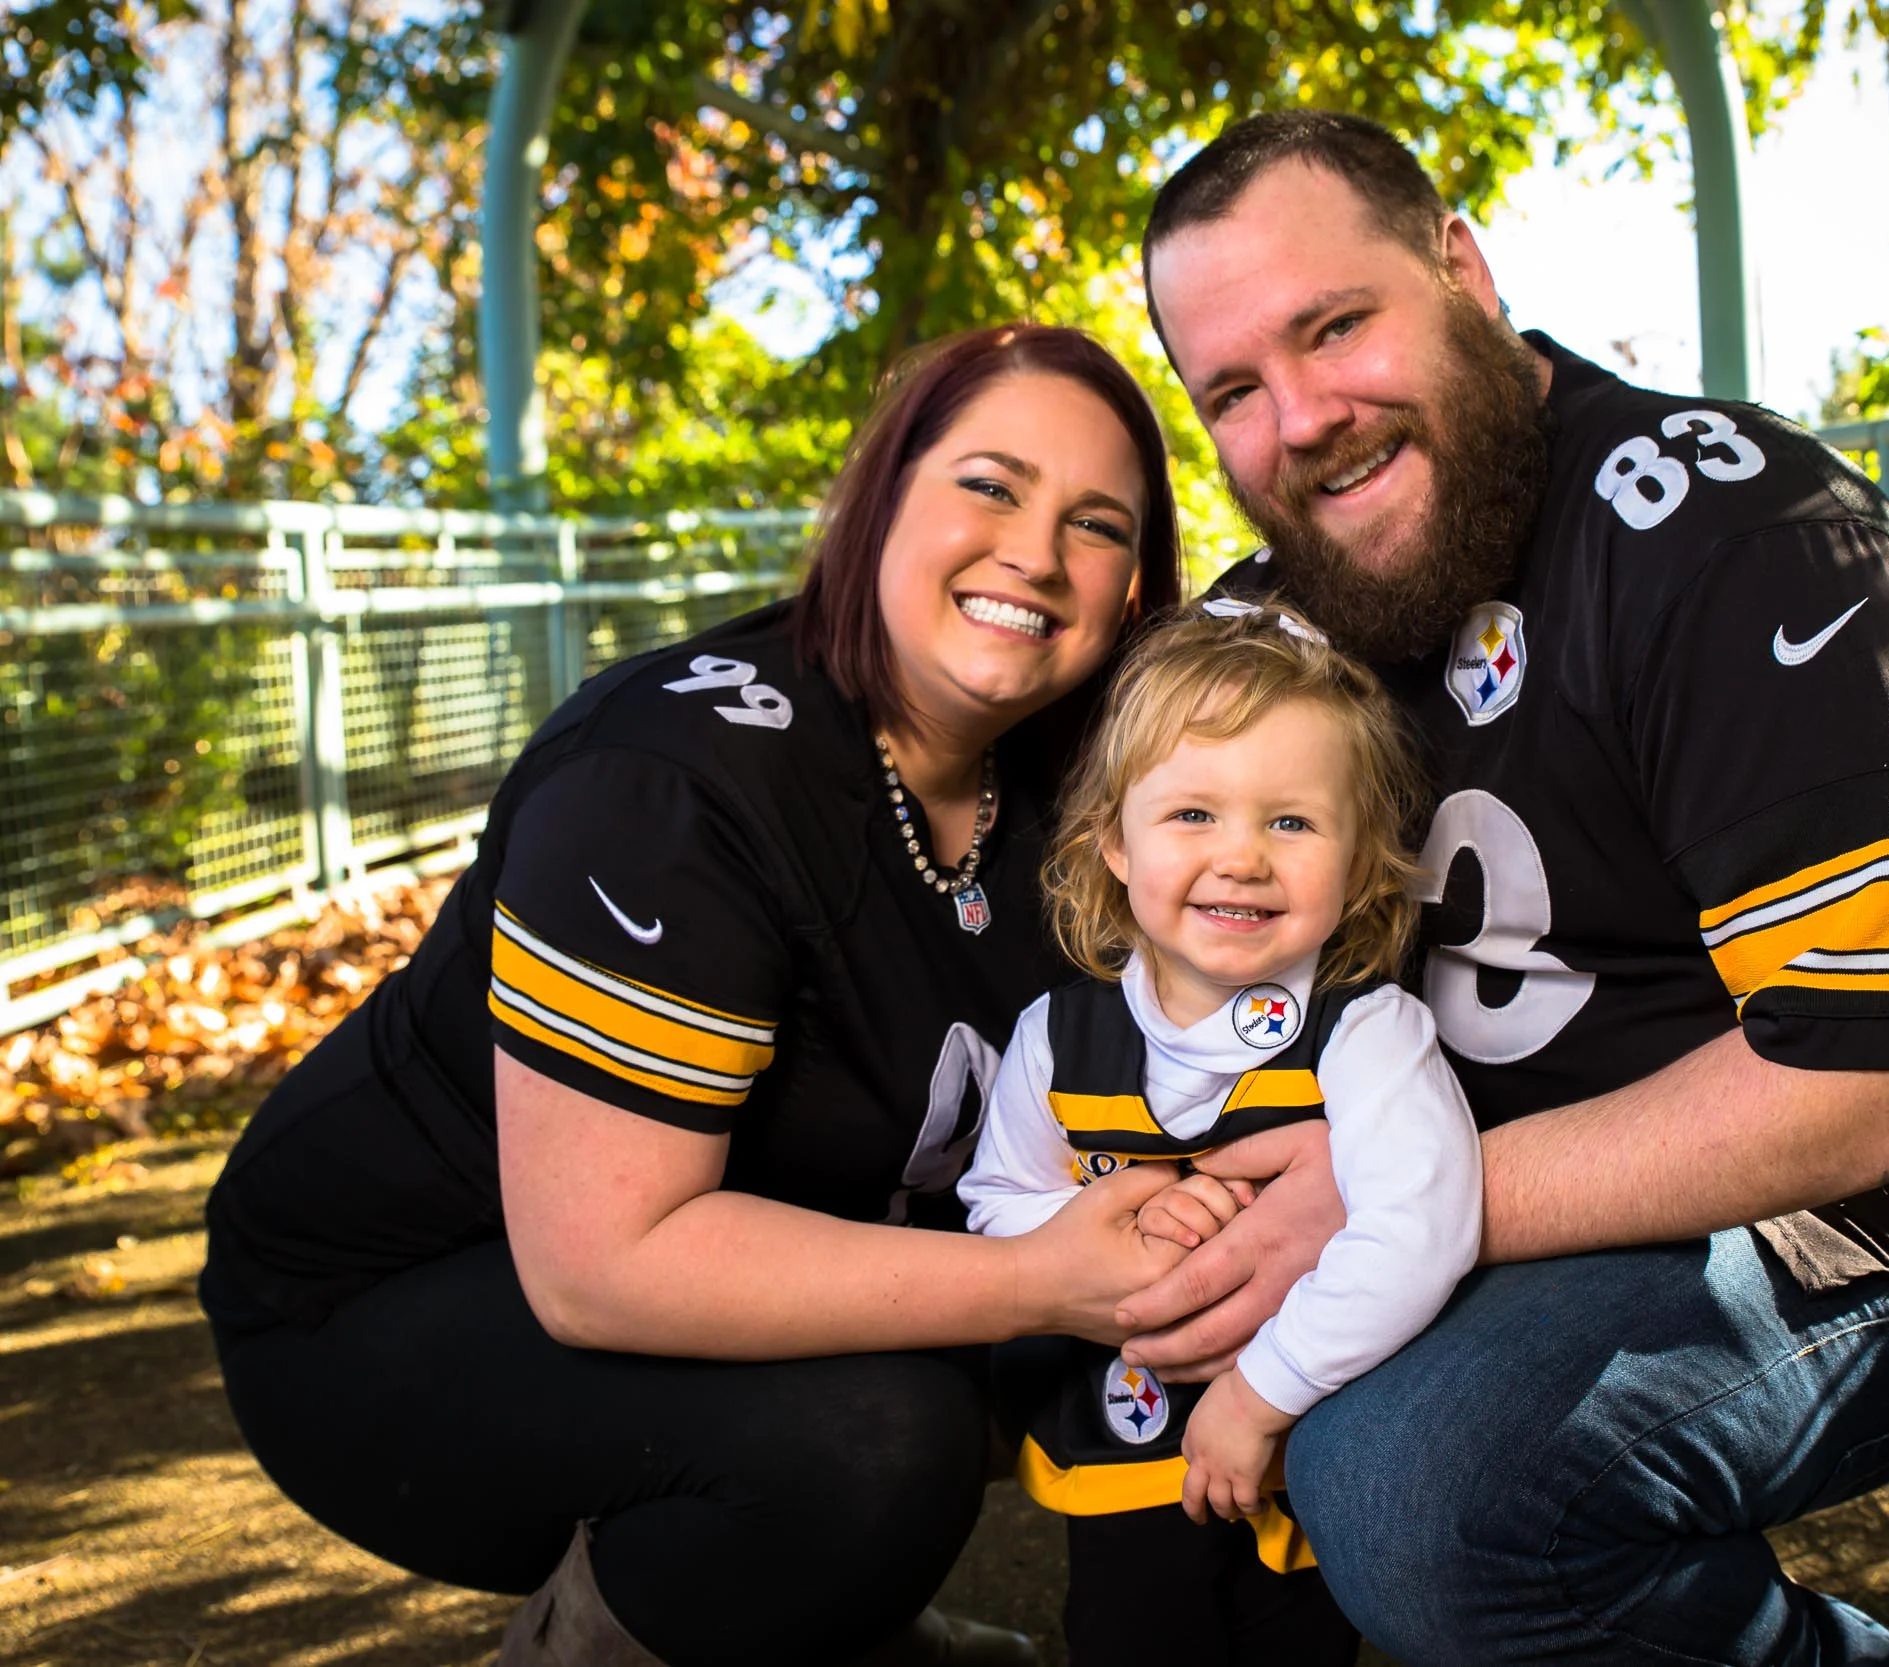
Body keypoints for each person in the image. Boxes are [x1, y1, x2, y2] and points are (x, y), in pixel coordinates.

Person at [1112, 111, 1889, 1664]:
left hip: (1879, 1212)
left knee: (1418, 1488)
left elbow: (1886, 1087)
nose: (1301, 417)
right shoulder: (1277, 623)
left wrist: (1395, 1200)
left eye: (1337, 326)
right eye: (1235, 390)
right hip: (1512, 1166)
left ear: (1461, 269)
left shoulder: (1735, 534)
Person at [197, 325, 1189, 1667]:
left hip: (710, 1252)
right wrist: (1035, 1277)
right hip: (390, 1303)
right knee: (882, 1433)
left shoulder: (1076, 784)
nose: (1035, 549)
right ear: (878, 499)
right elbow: (606, 1265)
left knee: (1160, 1316)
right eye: (990, 483)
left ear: (1134, 590)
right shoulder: (670, 779)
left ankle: (806, 1610)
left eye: (1097, 520)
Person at [959, 600, 1481, 1666]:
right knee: (1123, 1633)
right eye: (1193, 813)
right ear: (1111, 838)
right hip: (1117, 1436)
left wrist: (1260, 1390)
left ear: (1362, 859)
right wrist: (1118, 1215)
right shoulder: (1055, 1036)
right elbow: (995, 1208)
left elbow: (1425, 1226)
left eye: (1290, 822)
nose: (1241, 856)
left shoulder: (1369, 1030)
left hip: (1300, 1438)